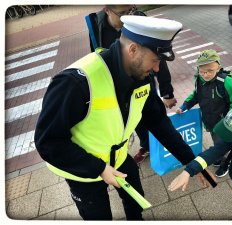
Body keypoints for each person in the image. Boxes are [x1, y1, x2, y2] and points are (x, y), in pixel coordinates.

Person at [34, 15, 210, 220]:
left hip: (117, 158)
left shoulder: (141, 78)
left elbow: (159, 123)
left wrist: (193, 162)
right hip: (81, 169)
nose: (157, 69)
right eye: (155, 60)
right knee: (98, 216)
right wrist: (98, 168)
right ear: (133, 49)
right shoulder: (74, 83)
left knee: (136, 201)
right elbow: (48, 142)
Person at [85, 5, 177, 163]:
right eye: (122, 12)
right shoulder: (95, 25)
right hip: (116, 88)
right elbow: (96, 55)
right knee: (132, 120)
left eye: (131, 8)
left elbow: (158, 60)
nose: (129, 15)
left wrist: (167, 92)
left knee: (154, 117)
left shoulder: (138, 22)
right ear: (107, 9)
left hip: (141, 81)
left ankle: (157, 145)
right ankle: (145, 145)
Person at [176, 49, 232, 178]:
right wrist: (184, 106)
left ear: (218, 68)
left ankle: (226, 162)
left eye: (210, 71)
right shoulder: (199, 80)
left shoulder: (225, 82)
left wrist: (229, 123)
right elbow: (195, 95)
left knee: (223, 143)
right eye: (202, 71)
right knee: (216, 140)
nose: (205, 74)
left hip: (224, 122)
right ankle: (220, 155)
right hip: (209, 120)